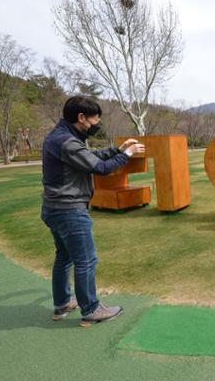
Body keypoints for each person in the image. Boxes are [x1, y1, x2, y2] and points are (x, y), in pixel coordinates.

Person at [41, 95, 145, 327]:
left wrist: (117, 149)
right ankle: (91, 309)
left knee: (64, 257)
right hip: (69, 210)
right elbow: (101, 168)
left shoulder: (63, 138)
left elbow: (90, 158)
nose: (94, 125)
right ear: (81, 118)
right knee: (86, 260)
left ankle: (62, 303)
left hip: (53, 209)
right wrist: (126, 155)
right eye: (93, 120)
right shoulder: (67, 142)